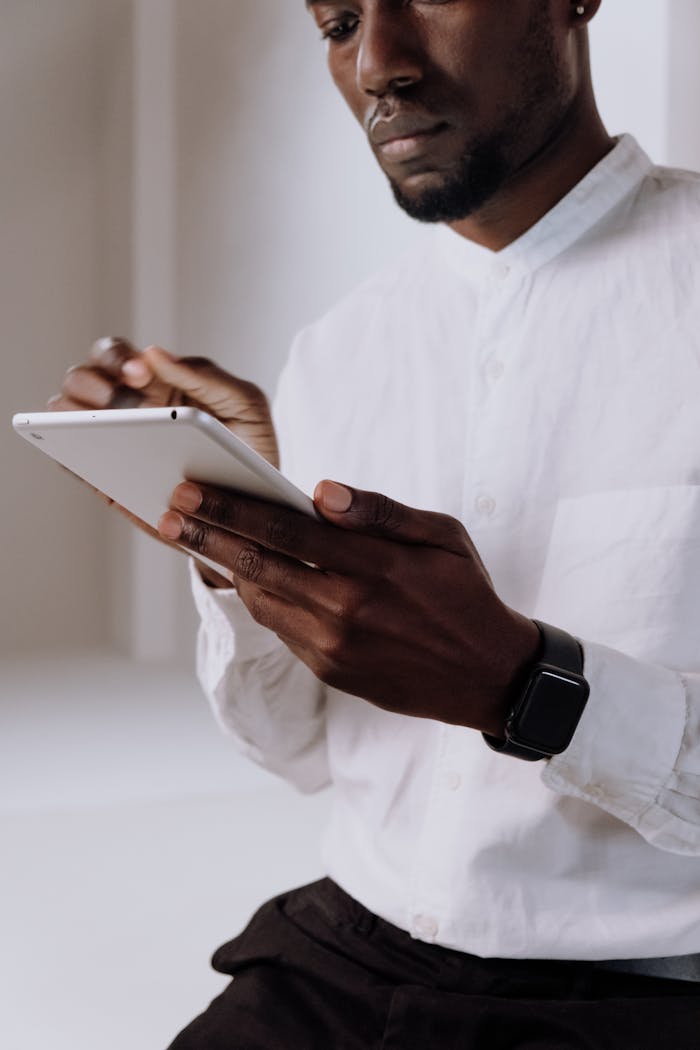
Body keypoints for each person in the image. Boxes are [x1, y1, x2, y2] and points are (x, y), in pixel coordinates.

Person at [52, 1, 700, 1046]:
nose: (377, 65)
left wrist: (531, 688)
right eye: (338, 21)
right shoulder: (338, 353)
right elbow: (302, 750)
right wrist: (232, 536)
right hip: (341, 958)